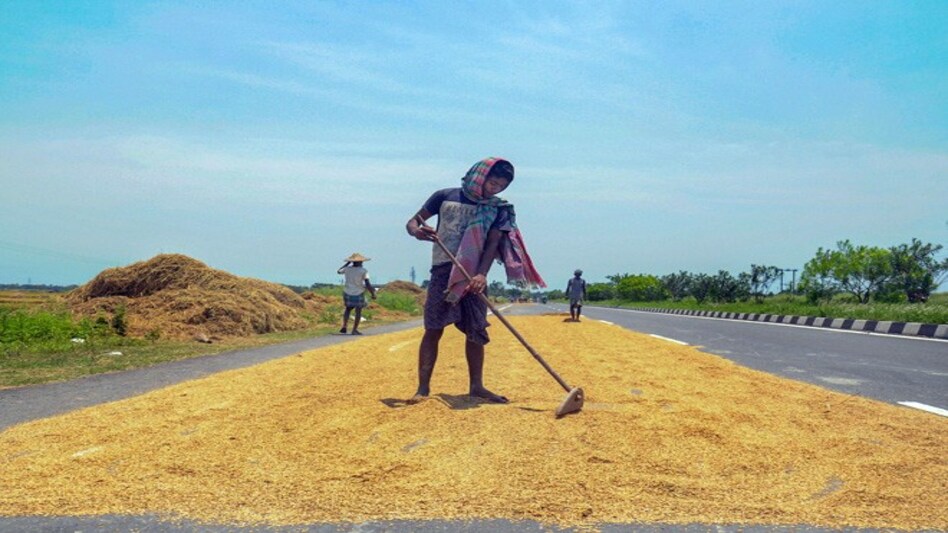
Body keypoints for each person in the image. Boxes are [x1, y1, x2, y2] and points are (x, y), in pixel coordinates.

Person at [405, 157, 545, 405]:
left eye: (502, 186)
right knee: (433, 328)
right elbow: (413, 221)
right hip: (443, 270)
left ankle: (476, 386)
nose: (495, 189)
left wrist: (481, 274)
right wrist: (417, 230)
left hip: (474, 275)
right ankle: (423, 388)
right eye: (493, 182)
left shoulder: (498, 208)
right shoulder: (445, 196)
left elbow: (492, 243)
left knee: (476, 329)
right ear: (480, 175)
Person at [337, 253, 377, 335]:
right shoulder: (363, 271)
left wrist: (347, 263)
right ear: (360, 262)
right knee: (358, 312)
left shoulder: (347, 269)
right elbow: (367, 283)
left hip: (347, 292)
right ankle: (354, 330)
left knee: (348, 309)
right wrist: (373, 293)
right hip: (358, 292)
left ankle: (344, 325)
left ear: (352, 262)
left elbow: (338, 271)